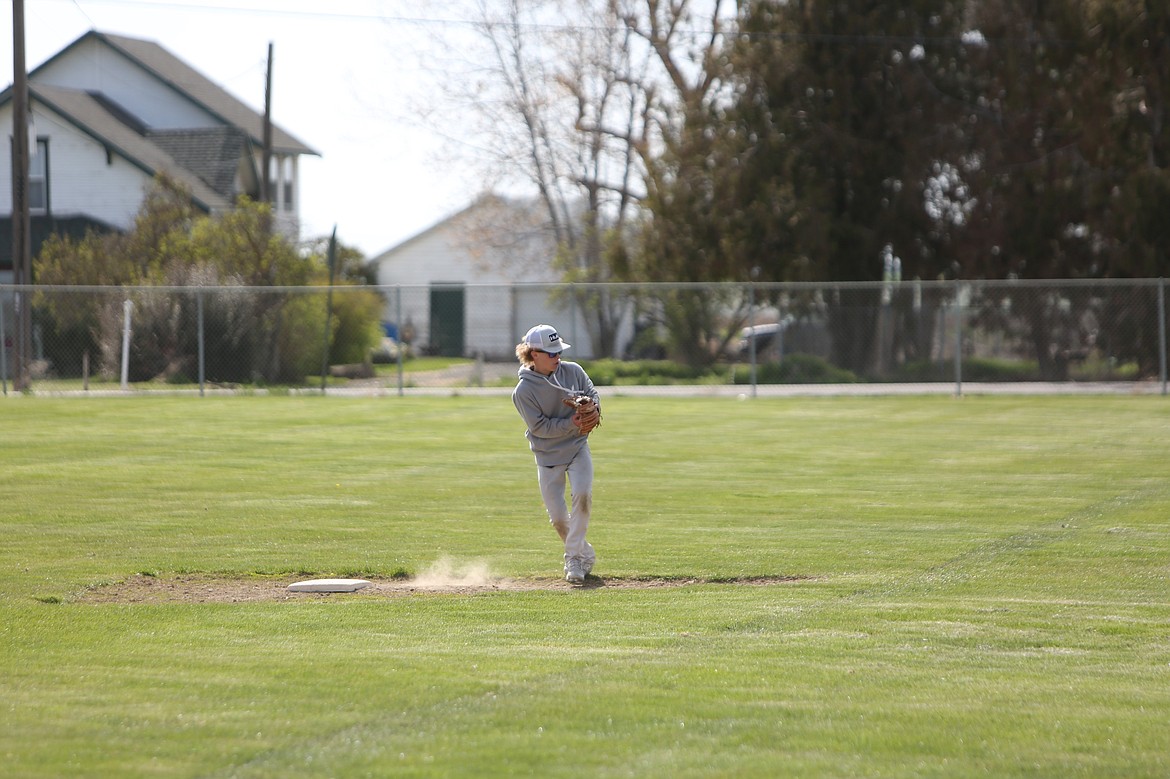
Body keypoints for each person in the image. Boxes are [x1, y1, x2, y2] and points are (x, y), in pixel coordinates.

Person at [512, 324, 601, 584]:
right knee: (559, 519)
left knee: (583, 496)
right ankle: (584, 553)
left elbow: (592, 392)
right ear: (532, 354)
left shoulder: (573, 371)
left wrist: (593, 405)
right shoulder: (523, 392)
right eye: (550, 353)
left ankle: (573, 558)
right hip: (547, 456)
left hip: (577, 448)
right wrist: (573, 423)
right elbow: (541, 428)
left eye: (558, 351)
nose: (556, 357)